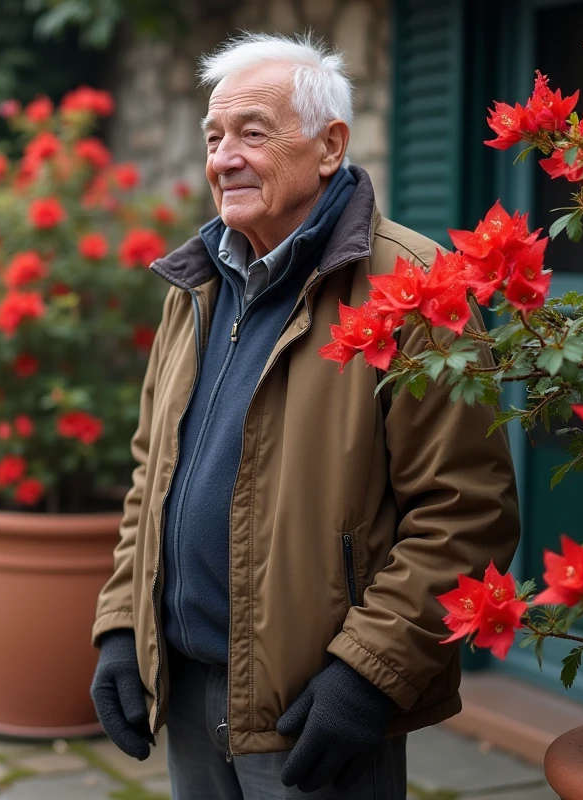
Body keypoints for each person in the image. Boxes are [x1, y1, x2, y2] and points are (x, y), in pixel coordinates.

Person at [90, 31, 522, 800]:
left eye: (253, 133)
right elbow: (150, 479)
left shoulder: (416, 288)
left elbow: (465, 514)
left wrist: (369, 677)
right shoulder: (194, 286)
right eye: (214, 136)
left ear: (330, 147)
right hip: (187, 688)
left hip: (312, 702)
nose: (224, 157)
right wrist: (124, 626)